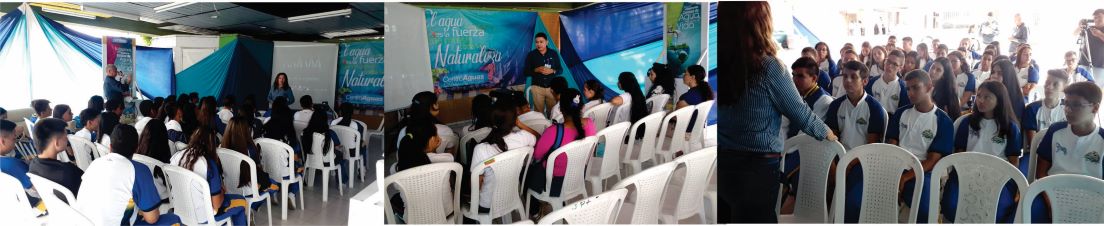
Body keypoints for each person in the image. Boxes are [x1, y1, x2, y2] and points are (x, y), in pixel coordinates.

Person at [717, 2, 837, 222]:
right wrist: (828, 133)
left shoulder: (721, 64)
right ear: (761, 23)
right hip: (756, 168)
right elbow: (800, 112)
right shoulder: (768, 67)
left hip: (723, 162)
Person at [946, 80, 1022, 223]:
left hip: (998, 177)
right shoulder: (967, 122)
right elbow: (959, 152)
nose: (980, 100)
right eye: (979, 96)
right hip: (967, 173)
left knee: (998, 211)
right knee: (952, 206)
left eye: (987, 97)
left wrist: (1011, 184)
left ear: (999, 100)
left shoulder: (1010, 128)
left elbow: (1014, 161)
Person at [885, 70, 955, 224]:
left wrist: (905, 177)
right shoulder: (901, 113)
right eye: (908, 88)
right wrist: (894, 172)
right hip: (897, 165)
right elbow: (892, 145)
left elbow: (932, 161)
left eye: (915, 87)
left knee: (924, 210)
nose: (910, 93)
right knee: (867, 196)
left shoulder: (943, 121)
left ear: (929, 87)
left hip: (924, 171)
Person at [77, 124, 181, 226]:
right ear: (136, 149)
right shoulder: (139, 170)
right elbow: (152, 219)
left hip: (82, 221)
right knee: (173, 219)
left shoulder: (95, 163)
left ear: (110, 147)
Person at [470, 100, 537, 217]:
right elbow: (538, 137)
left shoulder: (481, 149)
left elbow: (477, 183)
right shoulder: (523, 138)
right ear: (515, 121)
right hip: (513, 196)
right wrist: (520, 124)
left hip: (487, 205)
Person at [170, 128, 248, 226]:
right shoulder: (208, 164)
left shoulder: (175, 157)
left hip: (180, 213)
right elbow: (217, 204)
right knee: (241, 202)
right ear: (212, 145)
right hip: (203, 217)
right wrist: (222, 191)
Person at [826, 61, 887, 149]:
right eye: (845, 76)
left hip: (864, 158)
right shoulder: (835, 105)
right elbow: (832, 139)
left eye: (853, 77)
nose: (848, 80)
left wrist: (849, 162)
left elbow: (871, 146)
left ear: (865, 81)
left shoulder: (874, 108)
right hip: (839, 155)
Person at [221, 116, 276, 210]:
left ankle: (247, 208)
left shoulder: (221, 148)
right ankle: (251, 207)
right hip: (248, 188)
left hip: (228, 187)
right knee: (274, 185)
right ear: (246, 130)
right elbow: (258, 168)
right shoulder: (250, 149)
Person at [782, 57, 834, 139]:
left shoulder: (824, 101)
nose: (794, 80)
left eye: (800, 76)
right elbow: (783, 124)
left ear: (814, 78)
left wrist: (786, 149)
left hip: (804, 148)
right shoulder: (797, 95)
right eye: (793, 75)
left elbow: (805, 135)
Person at [28, 118, 84, 195]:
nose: (67, 140)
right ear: (57, 143)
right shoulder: (68, 171)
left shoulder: (33, 164)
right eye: (65, 137)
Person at [1024, 70, 1071, 152]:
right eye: (1047, 82)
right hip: (1037, 154)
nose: (1049, 87)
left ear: (1064, 87)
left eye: (1055, 84)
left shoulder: (1069, 109)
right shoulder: (1032, 109)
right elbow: (1033, 143)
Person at [301, 105, 348, 183]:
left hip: (310, 159)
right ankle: (342, 181)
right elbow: (337, 146)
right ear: (325, 120)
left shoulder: (305, 132)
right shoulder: (329, 133)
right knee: (340, 154)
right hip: (326, 161)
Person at [525, 32, 564, 114]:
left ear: (547, 42)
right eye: (537, 42)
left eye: (541, 42)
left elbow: (560, 69)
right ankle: (541, 127)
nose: (538, 44)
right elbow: (525, 72)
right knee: (539, 113)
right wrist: (536, 70)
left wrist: (553, 71)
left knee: (553, 112)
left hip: (552, 89)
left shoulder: (553, 53)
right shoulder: (531, 55)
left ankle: (552, 126)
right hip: (537, 88)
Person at [867, 50, 911, 117]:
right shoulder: (872, 82)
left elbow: (903, 112)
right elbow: (866, 105)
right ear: (885, 61)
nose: (890, 65)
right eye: (888, 61)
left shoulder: (903, 87)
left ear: (900, 68)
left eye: (895, 64)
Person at [0, 120, 34, 203]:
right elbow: (34, 190)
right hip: (29, 203)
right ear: (2, 141)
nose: (15, 143)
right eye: (14, 139)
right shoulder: (12, 164)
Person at [1084, 9, 1104, 84]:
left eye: (1099, 17)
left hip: (1100, 65)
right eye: (1095, 18)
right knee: (1082, 87)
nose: (1097, 19)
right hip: (1084, 62)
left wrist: (1099, 34)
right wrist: (1080, 25)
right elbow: (1074, 34)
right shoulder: (1089, 28)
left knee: (1097, 88)